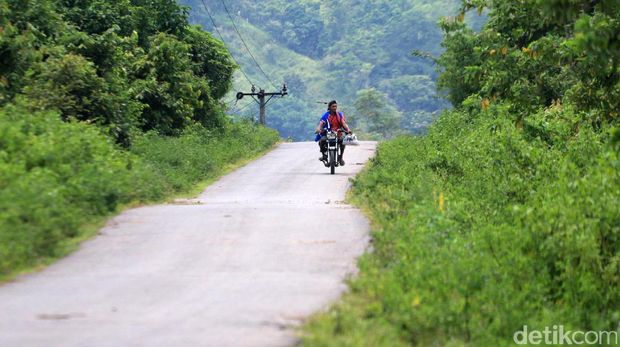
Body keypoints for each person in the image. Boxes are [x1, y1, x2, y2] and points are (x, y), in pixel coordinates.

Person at [315, 100, 352, 166]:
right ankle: (324, 156)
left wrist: (348, 129)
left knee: (343, 141)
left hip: (338, 134)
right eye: (333, 106)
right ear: (329, 107)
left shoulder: (339, 115)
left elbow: (344, 123)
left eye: (336, 106)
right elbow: (321, 123)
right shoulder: (326, 115)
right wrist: (318, 128)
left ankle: (340, 157)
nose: (335, 108)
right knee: (322, 141)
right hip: (328, 134)